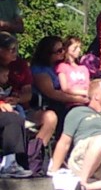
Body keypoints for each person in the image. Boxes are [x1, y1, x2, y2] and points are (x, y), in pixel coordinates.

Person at [0, 32, 57, 172]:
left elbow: (28, 93)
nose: (15, 53)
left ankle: (33, 157)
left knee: (50, 117)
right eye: (12, 50)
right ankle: (12, 161)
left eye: (16, 49)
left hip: (20, 108)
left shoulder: (20, 65)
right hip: (6, 111)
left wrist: (18, 99)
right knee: (13, 118)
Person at [30, 36, 88, 128]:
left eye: (63, 49)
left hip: (63, 102)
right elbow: (51, 93)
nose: (63, 52)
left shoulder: (57, 66)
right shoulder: (39, 70)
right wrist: (78, 99)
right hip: (48, 105)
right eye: (59, 51)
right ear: (48, 53)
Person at [55, 36, 91, 106]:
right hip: (72, 103)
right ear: (67, 48)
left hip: (87, 101)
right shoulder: (62, 66)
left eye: (79, 47)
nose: (79, 50)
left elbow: (89, 85)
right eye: (75, 47)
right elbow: (65, 88)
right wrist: (84, 92)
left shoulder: (84, 68)